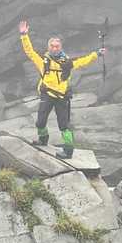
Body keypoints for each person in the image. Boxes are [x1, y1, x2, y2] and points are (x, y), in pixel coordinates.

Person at [19, 20, 101, 158]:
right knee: (40, 122)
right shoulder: (43, 62)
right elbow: (30, 52)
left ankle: (68, 151)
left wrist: (96, 54)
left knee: (64, 126)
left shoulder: (67, 63)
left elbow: (83, 62)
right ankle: (43, 139)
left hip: (62, 97)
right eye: (52, 46)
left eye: (57, 46)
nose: (55, 48)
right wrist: (24, 35)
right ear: (49, 47)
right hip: (47, 94)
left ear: (60, 47)